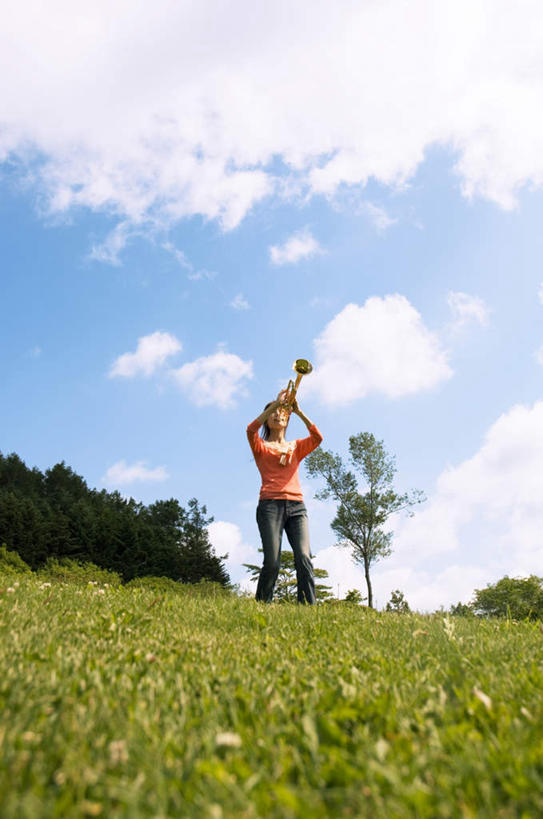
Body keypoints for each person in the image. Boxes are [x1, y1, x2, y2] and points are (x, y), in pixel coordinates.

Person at [246, 394, 323, 604]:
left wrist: (298, 411)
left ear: (287, 419)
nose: (278, 415)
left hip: (297, 507)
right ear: (268, 419)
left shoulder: (296, 446)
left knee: (304, 558)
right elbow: (250, 429)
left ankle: (307, 607)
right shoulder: (260, 446)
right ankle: (262, 605)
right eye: (273, 412)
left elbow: (317, 438)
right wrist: (275, 405)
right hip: (270, 506)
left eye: (282, 412)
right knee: (272, 562)